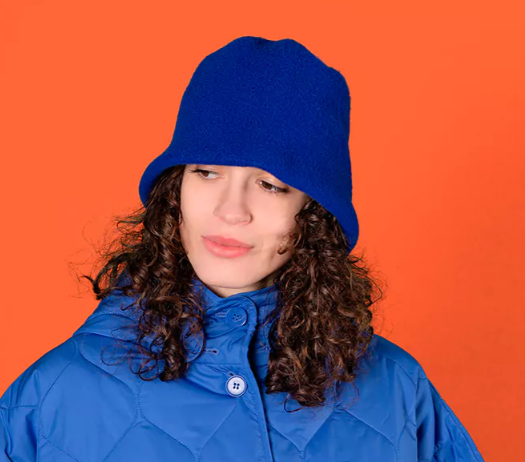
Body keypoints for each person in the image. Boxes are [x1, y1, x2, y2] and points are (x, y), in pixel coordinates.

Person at [0, 36, 485, 461]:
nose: (231, 210)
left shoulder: (398, 390)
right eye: (206, 172)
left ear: (315, 213)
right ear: (175, 191)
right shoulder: (54, 394)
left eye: (270, 185)